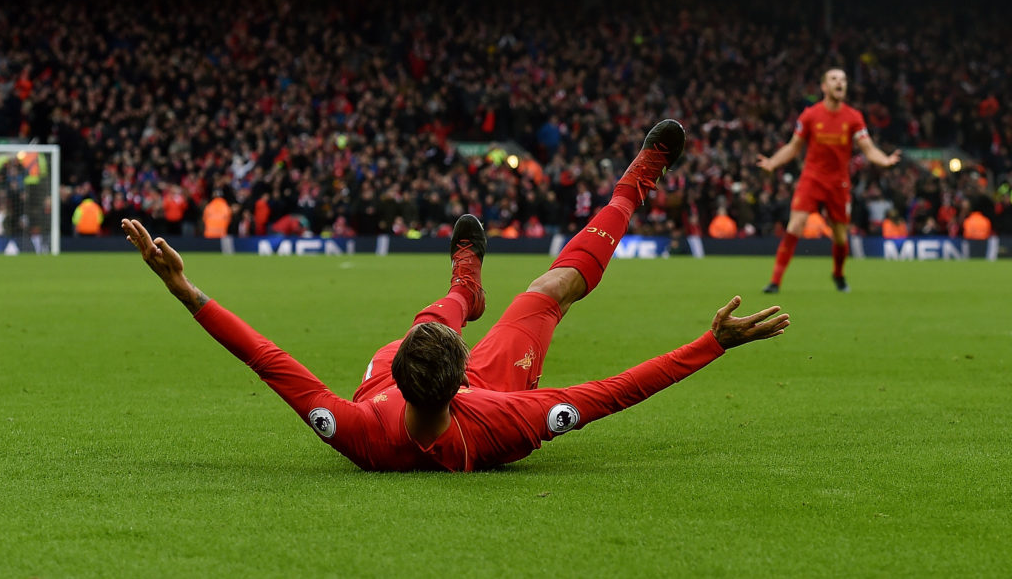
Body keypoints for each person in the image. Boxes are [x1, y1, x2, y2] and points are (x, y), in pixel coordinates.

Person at [123, 120, 790, 472]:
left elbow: (267, 358)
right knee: (545, 294)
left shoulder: (360, 428)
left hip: (405, 385)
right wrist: (711, 343)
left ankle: (461, 290)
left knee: (438, 311)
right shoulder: (504, 423)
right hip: (489, 394)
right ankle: (632, 186)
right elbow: (613, 391)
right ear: (464, 372)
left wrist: (183, 288)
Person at [757, 68, 901, 293]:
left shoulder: (853, 117)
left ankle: (839, 275)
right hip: (812, 178)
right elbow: (793, 147)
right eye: (834, 79)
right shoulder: (810, 115)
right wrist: (772, 163)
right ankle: (775, 281)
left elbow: (868, 147)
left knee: (841, 237)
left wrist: (884, 160)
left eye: (843, 79)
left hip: (838, 183)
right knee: (795, 225)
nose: (840, 83)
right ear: (824, 87)